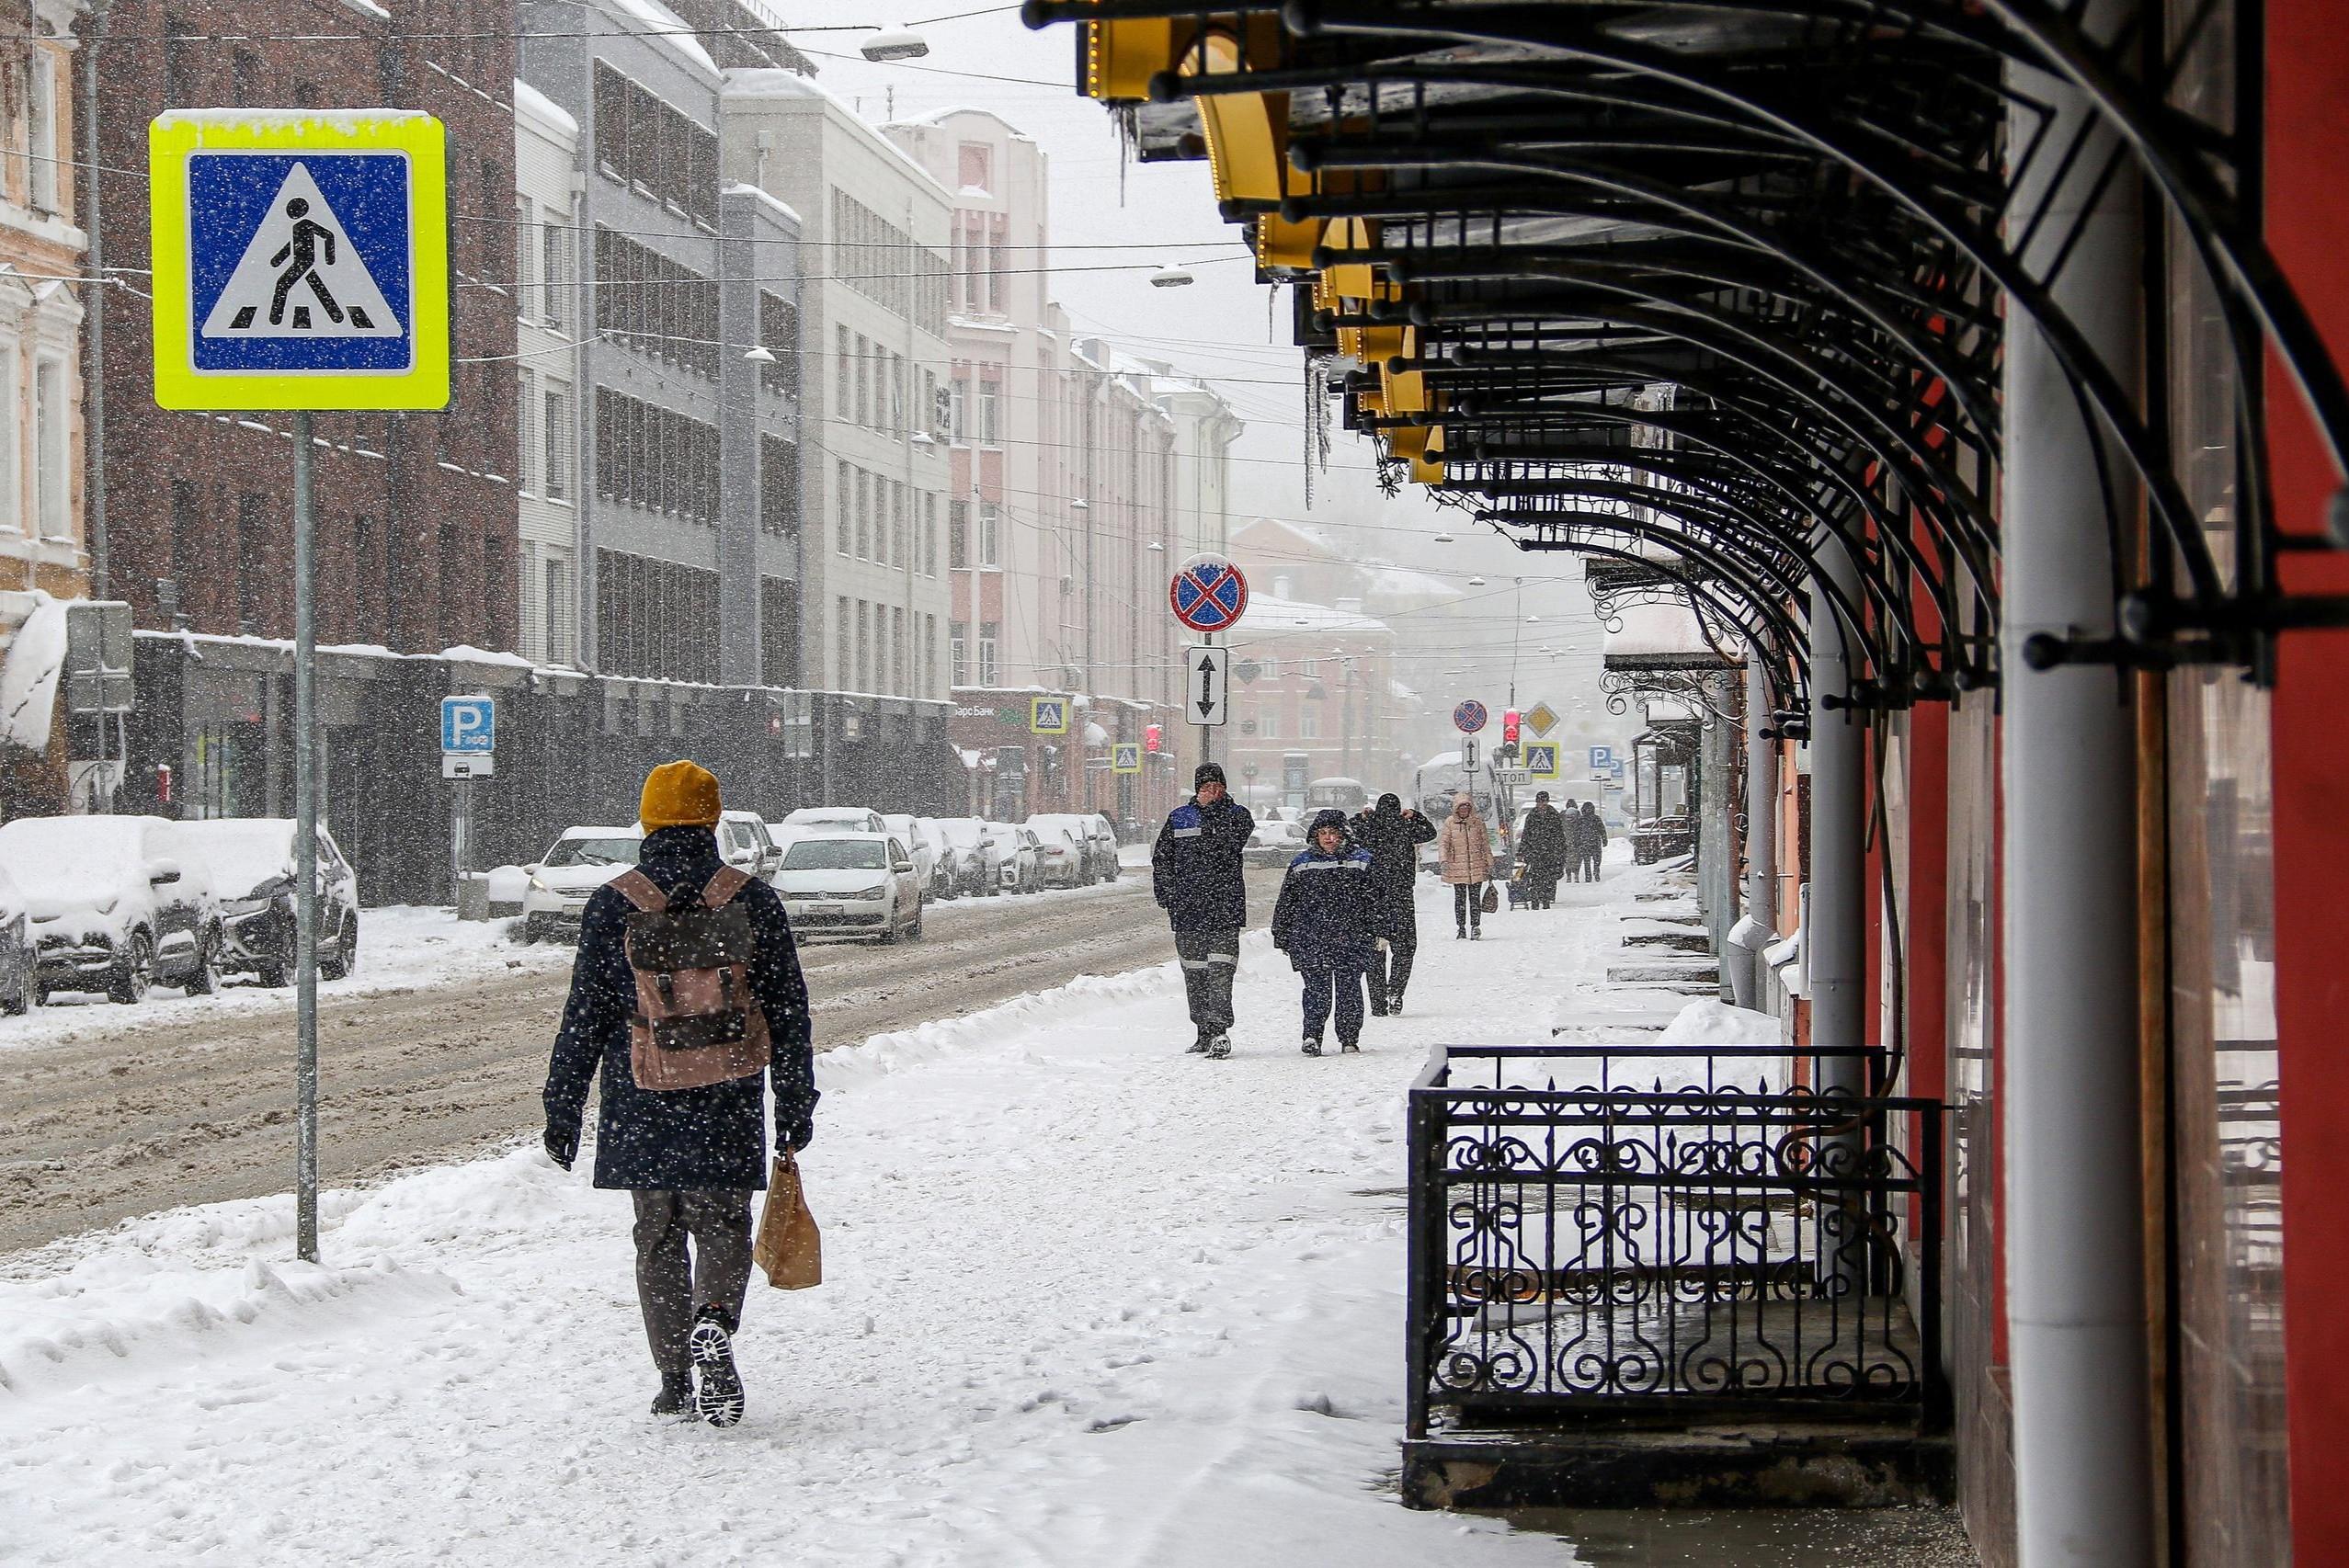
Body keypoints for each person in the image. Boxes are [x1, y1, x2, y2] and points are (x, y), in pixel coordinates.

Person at [542, 760, 816, 1427]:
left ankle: (673, 1379)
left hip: (642, 1095)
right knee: (721, 1222)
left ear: (648, 822)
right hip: (727, 1090)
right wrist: (794, 1098)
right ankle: (713, 1318)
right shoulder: (750, 900)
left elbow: (585, 1014)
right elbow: (788, 1009)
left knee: (658, 1233)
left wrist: (563, 1106)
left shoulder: (615, 903)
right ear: (712, 821)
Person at [1152, 761, 1255, 1058]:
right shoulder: (1178, 818)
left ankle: (1220, 1030)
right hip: (1188, 911)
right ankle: (1203, 1031)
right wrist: (1167, 894)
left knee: (1220, 971)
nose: (1212, 792)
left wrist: (1212, 811)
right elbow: (1162, 859)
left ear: (1225, 789)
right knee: (1194, 973)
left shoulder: (1237, 816)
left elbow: (1230, 844)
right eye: (1206, 787)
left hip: (1224, 908)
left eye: (1217, 787)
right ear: (1197, 790)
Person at [1271, 809, 1376, 1055]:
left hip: (1351, 937)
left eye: (1333, 833)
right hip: (1311, 937)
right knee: (1316, 990)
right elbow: (1287, 901)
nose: (1328, 838)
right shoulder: (1302, 863)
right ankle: (1312, 1035)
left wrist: (1379, 930)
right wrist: (1282, 932)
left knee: (1349, 989)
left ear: (1344, 835)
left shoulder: (1362, 861)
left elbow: (1376, 900)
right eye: (1323, 833)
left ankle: (1349, 1038)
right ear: (1315, 835)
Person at [1350, 792, 1437, 1015]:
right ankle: (1396, 990)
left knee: (1375, 950)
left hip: (1373, 897)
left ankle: (1378, 1002)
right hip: (1401, 895)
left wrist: (1362, 817)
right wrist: (1415, 816)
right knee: (1405, 947)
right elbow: (1430, 832)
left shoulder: (1368, 827)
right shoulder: (1405, 826)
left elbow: (1347, 831)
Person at [1438, 792, 1496, 940]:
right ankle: (1461, 927)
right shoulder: (1450, 823)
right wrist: (1443, 860)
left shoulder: (1478, 822)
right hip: (1457, 867)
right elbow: (1444, 843)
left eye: (1467, 806)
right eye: (1461, 806)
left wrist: (1490, 862)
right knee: (1460, 899)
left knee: (1475, 899)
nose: (1464, 809)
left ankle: (1475, 926)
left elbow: (1485, 844)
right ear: (1456, 808)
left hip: (1477, 866)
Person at [1518, 790, 1568, 908]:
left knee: (1548, 878)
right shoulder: (1532, 815)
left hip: (1550, 852)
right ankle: (1535, 901)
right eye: (1540, 802)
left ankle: (1546, 900)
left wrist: (1560, 850)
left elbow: (1559, 834)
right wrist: (1522, 851)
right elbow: (1526, 834)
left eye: (1544, 802)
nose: (1542, 805)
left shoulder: (1553, 815)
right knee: (1536, 878)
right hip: (1535, 852)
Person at [1577, 800, 1610, 882]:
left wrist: (1577, 841)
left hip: (1585, 842)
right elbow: (1602, 830)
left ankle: (1588, 876)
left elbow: (1577, 832)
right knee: (1597, 859)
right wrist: (1604, 840)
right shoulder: (1596, 818)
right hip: (1595, 842)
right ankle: (1596, 871)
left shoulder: (1581, 819)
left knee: (1586, 861)